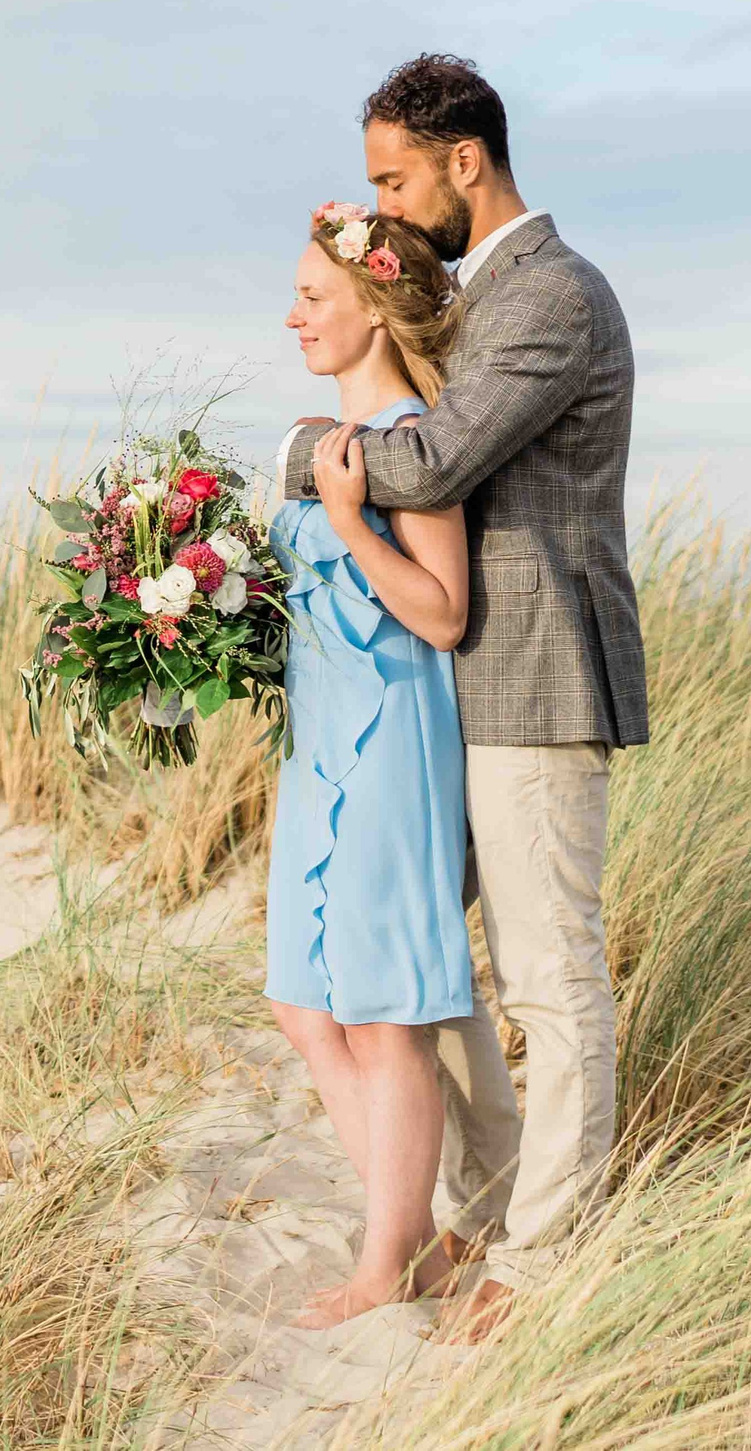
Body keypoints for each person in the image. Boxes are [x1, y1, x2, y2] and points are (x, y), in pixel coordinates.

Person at [278, 53, 649, 1343]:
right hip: (451, 691)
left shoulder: (552, 296)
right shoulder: (476, 298)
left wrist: (289, 460)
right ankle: (482, 1210)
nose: (382, 199)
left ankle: (541, 1259)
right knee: (428, 981)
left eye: (395, 178)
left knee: (550, 982)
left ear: (464, 163)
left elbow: (432, 452)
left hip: (536, 679)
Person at [263, 200, 471, 1328]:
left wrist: (350, 522)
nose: (291, 315)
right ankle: (420, 1240)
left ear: (373, 312)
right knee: (305, 1008)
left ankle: (386, 1257)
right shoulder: (319, 445)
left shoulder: (410, 448)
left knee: (384, 1015)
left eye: (312, 297)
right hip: (317, 746)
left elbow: (441, 616)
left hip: (390, 739)